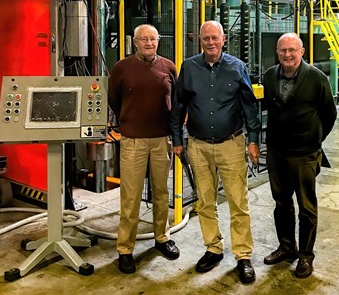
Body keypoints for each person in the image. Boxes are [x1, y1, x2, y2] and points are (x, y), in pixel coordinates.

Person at [169, 20, 261, 284]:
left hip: (231, 144)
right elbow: (178, 106)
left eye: (214, 38)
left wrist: (253, 140)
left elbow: (249, 107)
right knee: (204, 202)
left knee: (237, 202)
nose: (210, 42)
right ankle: (213, 248)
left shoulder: (237, 67)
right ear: (200, 40)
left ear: (223, 40)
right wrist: (177, 139)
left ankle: (243, 255)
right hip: (197, 146)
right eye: (205, 38)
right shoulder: (189, 67)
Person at [262, 33, 337, 279]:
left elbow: (329, 114)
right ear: (277, 52)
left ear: (302, 51)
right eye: (283, 50)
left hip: (304, 154)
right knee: (281, 203)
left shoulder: (317, 78)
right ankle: (287, 247)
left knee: (306, 207)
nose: (288, 55)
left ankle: (305, 254)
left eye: (293, 50)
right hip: (276, 152)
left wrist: (313, 141)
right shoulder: (270, 76)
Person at [108, 24, 180, 274]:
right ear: (135, 42)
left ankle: (162, 237)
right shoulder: (121, 68)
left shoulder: (168, 66)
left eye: (153, 39)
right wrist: (129, 122)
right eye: (144, 39)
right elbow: (114, 100)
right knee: (131, 196)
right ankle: (125, 248)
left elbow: (175, 99)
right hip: (133, 141)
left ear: (158, 41)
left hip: (162, 140)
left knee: (161, 192)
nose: (149, 43)